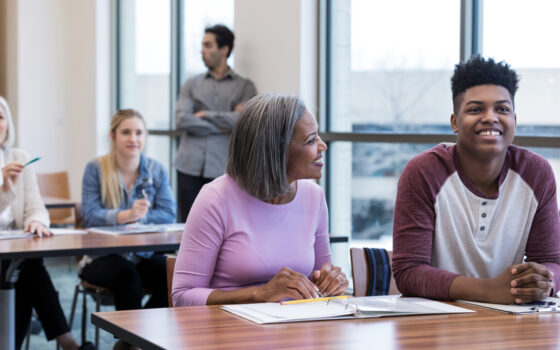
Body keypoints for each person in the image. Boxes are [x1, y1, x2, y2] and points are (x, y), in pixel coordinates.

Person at [392, 56, 560, 304]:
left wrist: (544, 281)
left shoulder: (537, 173)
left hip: (510, 322)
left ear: (515, 120)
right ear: (455, 123)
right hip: (438, 323)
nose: (490, 117)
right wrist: (490, 291)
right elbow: (409, 272)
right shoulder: (423, 172)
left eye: (502, 109)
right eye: (475, 109)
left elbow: (552, 261)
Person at [172, 94, 348, 307]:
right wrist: (259, 294)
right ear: (275, 150)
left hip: (295, 331)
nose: (323, 146)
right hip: (229, 333)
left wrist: (332, 283)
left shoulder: (314, 197)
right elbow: (182, 296)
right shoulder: (215, 199)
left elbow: (320, 278)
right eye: (311, 139)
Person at [0, 97, 93, 350]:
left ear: (7, 123)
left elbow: (36, 207)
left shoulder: (19, 157)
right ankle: (68, 342)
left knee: (26, 268)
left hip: (16, 253)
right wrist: (3, 190)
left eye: (0, 117)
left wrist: (36, 223)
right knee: (27, 271)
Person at [80, 109, 175, 348]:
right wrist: (125, 215)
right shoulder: (95, 168)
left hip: (142, 253)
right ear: (112, 136)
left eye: (139, 133)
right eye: (126, 132)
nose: (133, 139)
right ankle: (131, 341)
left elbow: (168, 213)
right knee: (127, 276)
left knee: (175, 275)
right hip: (102, 257)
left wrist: (138, 219)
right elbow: (90, 216)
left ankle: (133, 338)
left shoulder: (156, 169)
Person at [174, 24, 257, 222]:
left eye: (208, 45)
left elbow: (245, 122)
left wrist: (206, 114)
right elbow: (182, 120)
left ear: (224, 49)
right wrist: (224, 124)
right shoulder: (191, 84)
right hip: (189, 168)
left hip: (225, 169)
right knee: (187, 227)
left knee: (224, 226)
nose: (202, 50)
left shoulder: (245, 86)